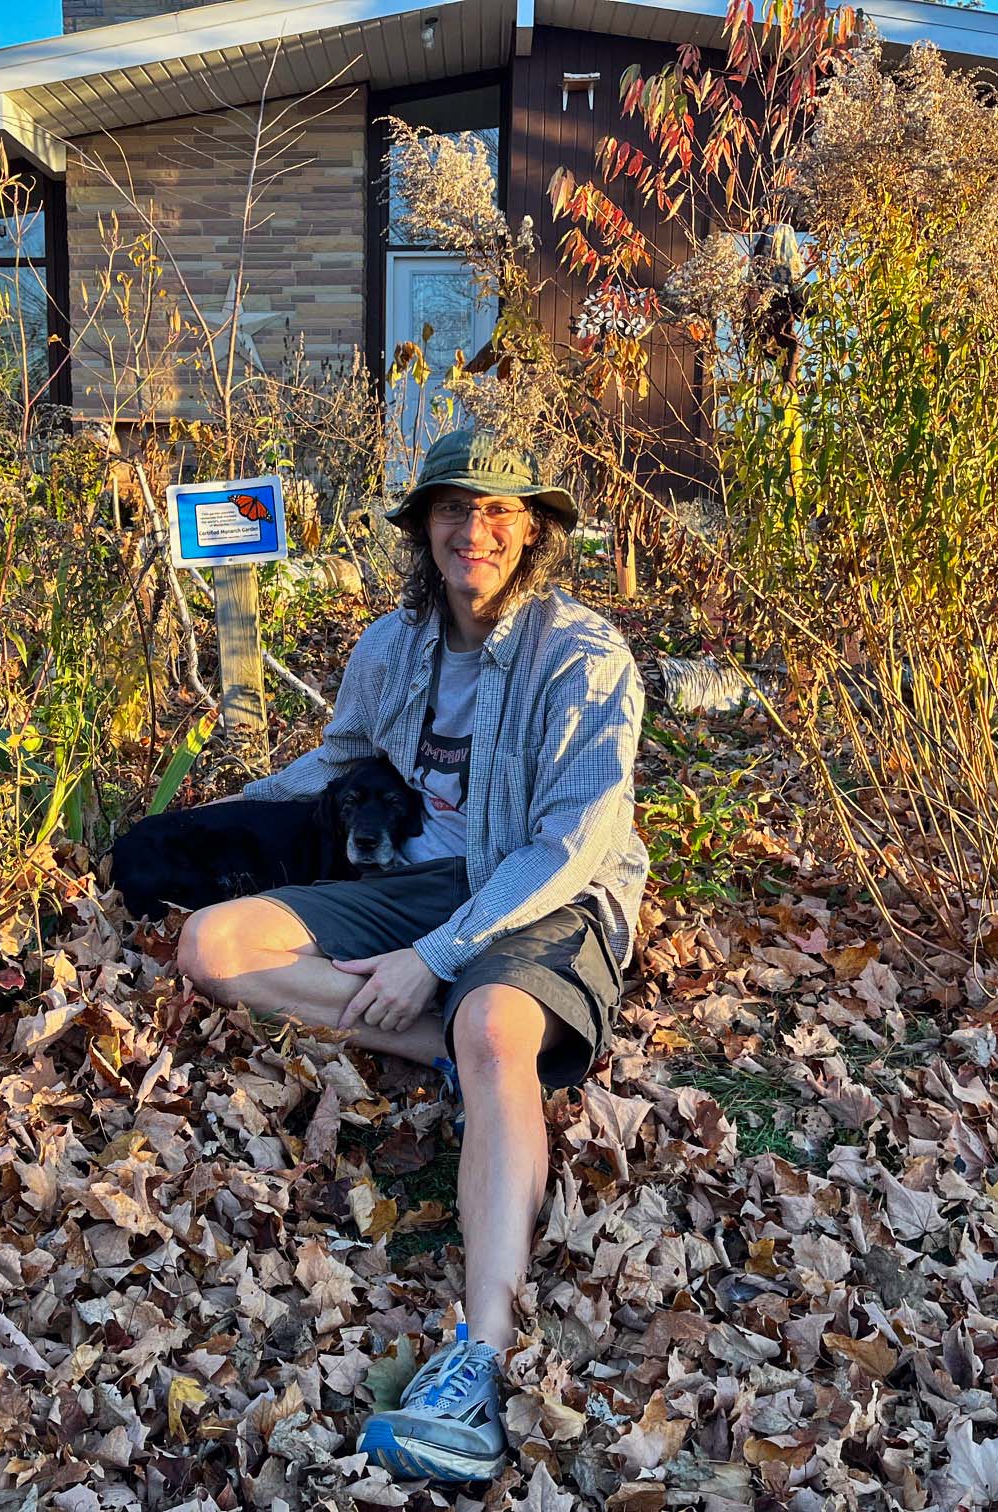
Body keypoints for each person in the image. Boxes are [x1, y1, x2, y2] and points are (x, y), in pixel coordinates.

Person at [176, 427, 647, 1484]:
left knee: (490, 1021)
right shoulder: (391, 646)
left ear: (530, 531)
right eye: (451, 508)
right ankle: (470, 1056)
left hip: (535, 887)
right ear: (422, 527)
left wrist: (439, 954)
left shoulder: (583, 657)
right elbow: (339, 760)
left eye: (496, 512)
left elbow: (575, 840)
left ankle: (478, 1360)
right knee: (215, 941)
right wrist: (219, 816)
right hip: (407, 884)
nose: (470, 530)